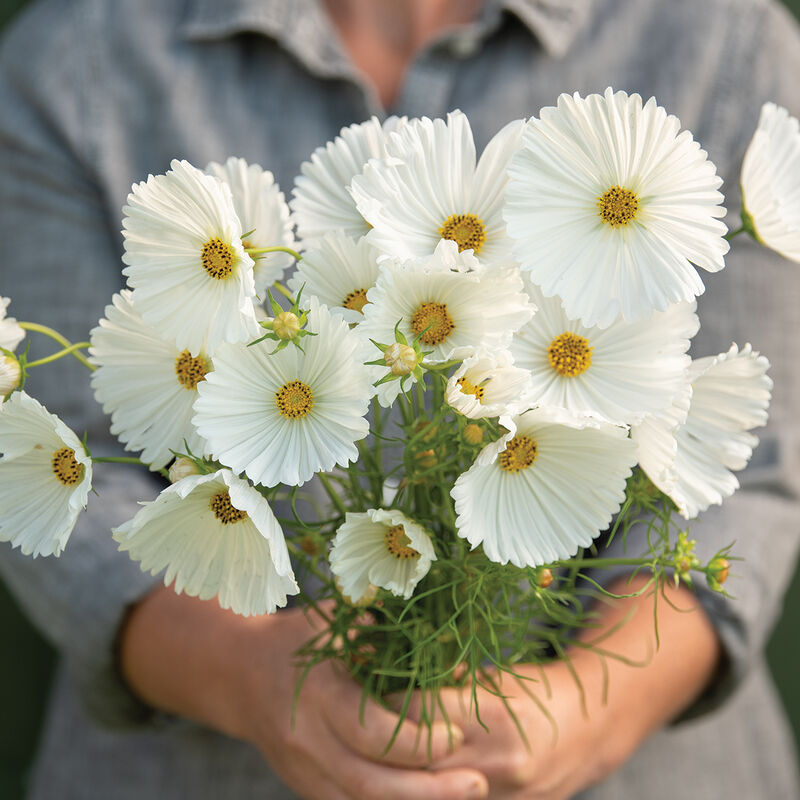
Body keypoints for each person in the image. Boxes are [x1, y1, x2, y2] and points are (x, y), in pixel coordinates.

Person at [1, 0, 799, 797]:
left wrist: (597, 707)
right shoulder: (76, 60)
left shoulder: (723, 37)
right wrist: (245, 675)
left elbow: (744, 467)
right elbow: (56, 465)